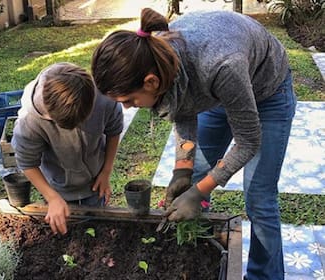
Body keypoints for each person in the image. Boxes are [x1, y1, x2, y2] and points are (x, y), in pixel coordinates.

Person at [91, 8, 296, 280]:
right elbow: (182, 104)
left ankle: (264, 277)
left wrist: (198, 193)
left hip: (267, 92)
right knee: (197, 175)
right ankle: (196, 258)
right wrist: (182, 169)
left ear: (150, 82)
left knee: (259, 198)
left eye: (128, 100)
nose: (128, 108)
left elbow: (247, 141)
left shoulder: (221, 65)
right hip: (218, 89)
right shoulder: (158, 53)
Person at [11, 62, 123, 235]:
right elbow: (27, 162)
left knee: (96, 229)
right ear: (49, 114)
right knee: (63, 229)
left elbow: (114, 131)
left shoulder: (104, 99)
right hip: (56, 186)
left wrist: (106, 171)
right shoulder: (30, 121)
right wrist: (52, 197)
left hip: (95, 182)